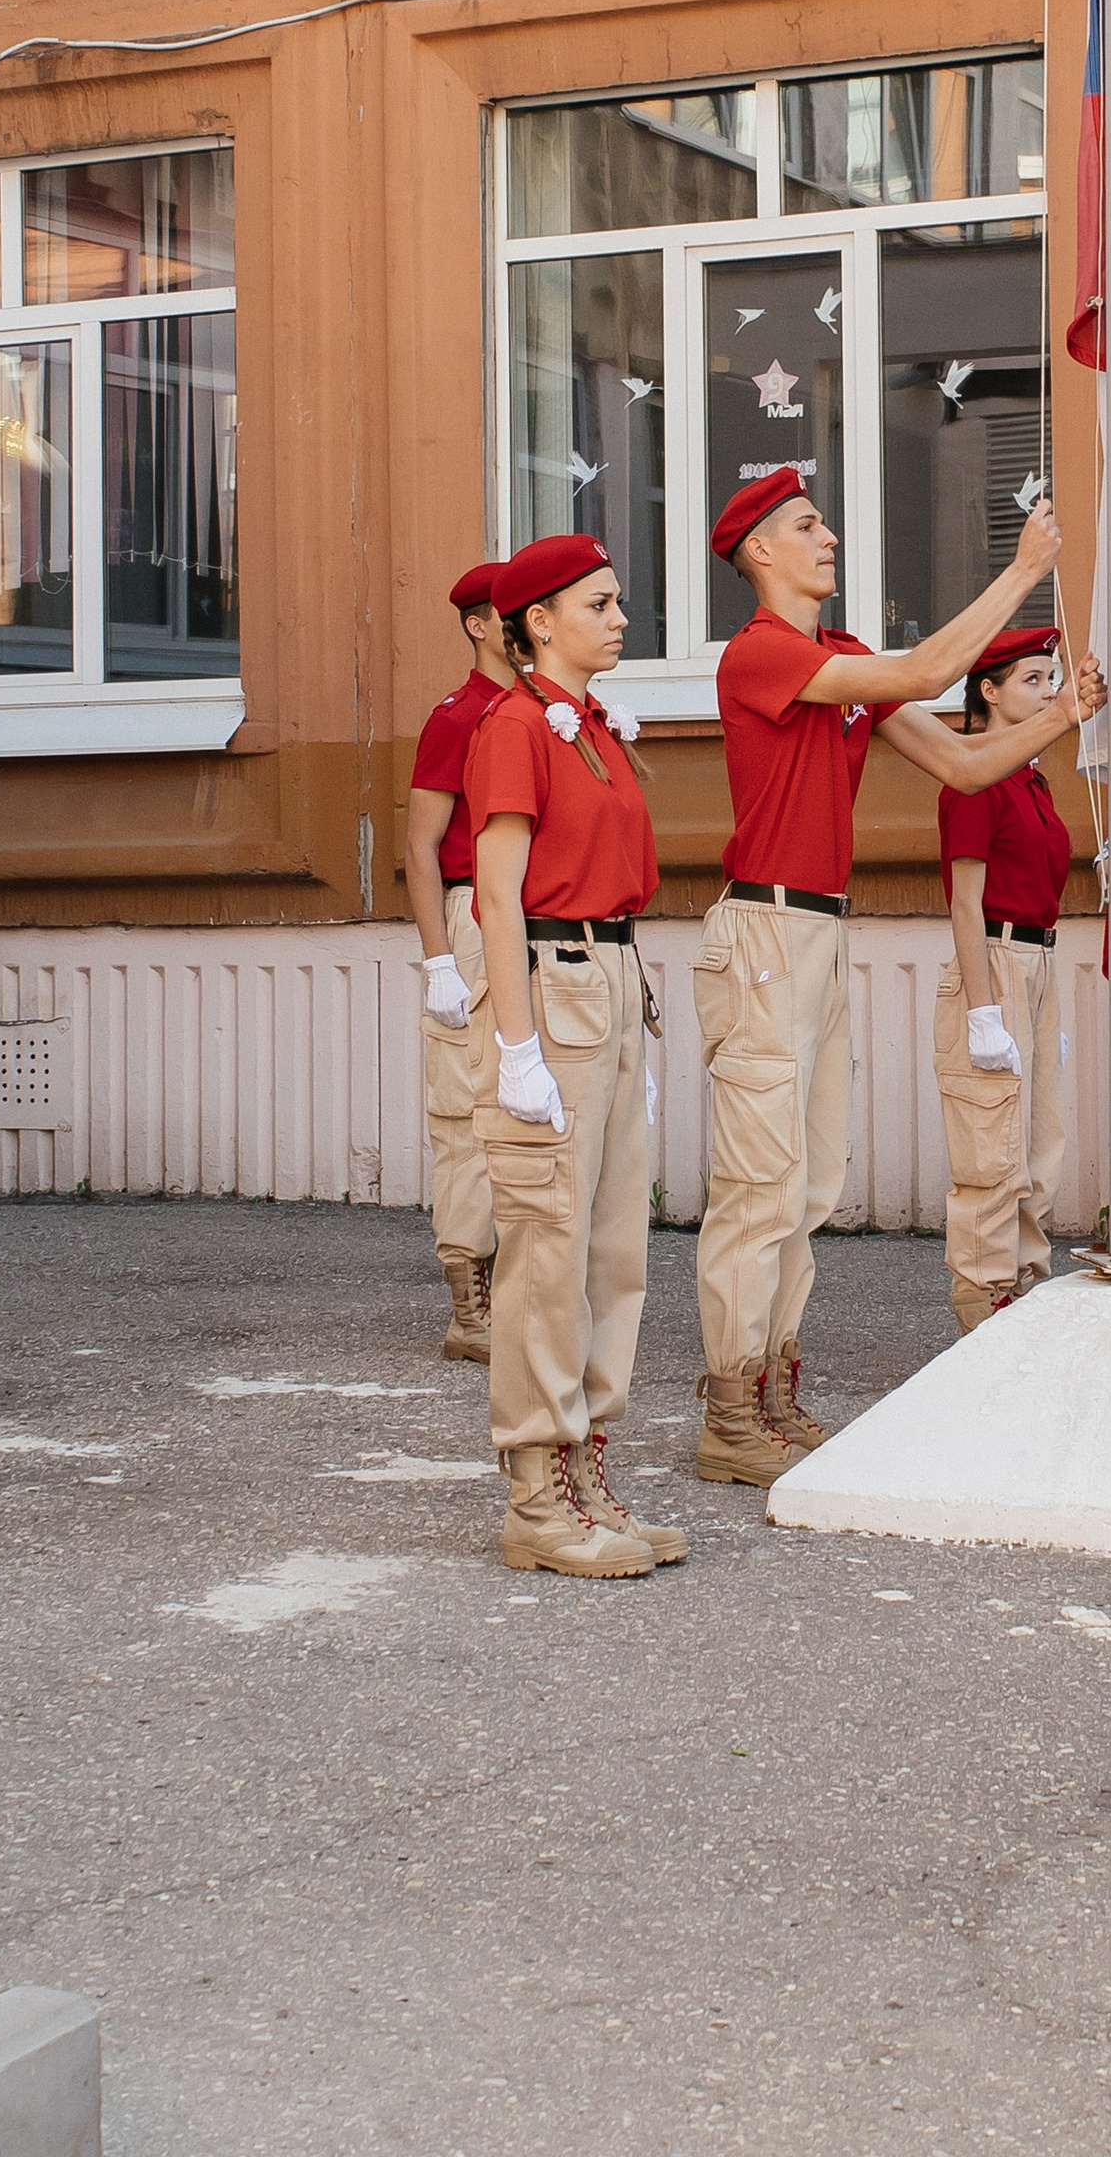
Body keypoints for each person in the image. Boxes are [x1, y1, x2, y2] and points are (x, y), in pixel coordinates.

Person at [693, 468, 1097, 1487]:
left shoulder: (833, 659)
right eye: (805, 524)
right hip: (765, 931)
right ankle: (730, 1407)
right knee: (757, 1186)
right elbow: (924, 675)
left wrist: (1064, 716)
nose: (826, 535)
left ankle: (773, 1393)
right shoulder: (763, 653)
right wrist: (1021, 576)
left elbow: (963, 767)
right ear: (759, 556)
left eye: (824, 518)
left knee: (808, 1180)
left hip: (819, 932)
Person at [463, 532, 670, 1581]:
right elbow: (496, 894)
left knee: (610, 1251)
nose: (620, 616)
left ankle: (586, 1467)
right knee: (547, 1251)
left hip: (612, 980)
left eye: (617, 599)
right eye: (599, 602)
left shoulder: (588, 724)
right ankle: (536, 1498)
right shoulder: (515, 726)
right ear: (539, 621)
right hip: (556, 987)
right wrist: (513, 1045)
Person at [935, 627, 1076, 1329]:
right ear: (988, 693)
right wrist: (983, 1012)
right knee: (993, 1154)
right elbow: (965, 902)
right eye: (1033, 680)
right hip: (992, 959)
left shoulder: (1031, 778)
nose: (1050, 692)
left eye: (1053, 679)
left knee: (1039, 1147)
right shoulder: (975, 774)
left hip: (1038, 961)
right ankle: (984, 1307)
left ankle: (1024, 1292)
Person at [405, 562, 516, 1363]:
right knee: (464, 1106)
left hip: (535, 916)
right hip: (473, 915)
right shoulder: (459, 717)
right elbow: (417, 845)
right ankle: (469, 1297)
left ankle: (518, 1280)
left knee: (523, 1102)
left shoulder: (545, 711)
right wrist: (438, 960)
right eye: (510, 611)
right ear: (478, 625)